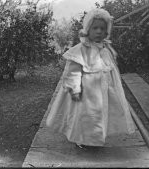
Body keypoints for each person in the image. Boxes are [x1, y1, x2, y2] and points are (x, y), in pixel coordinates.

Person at [46, 9, 135, 148]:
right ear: (88, 29)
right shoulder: (80, 49)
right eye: (95, 28)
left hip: (103, 90)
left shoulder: (105, 50)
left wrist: (113, 86)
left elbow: (110, 69)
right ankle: (80, 138)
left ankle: (96, 137)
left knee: (99, 114)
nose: (99, 31)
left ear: (107, 32)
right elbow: (73, 70)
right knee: (84, 116)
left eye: (102, 28)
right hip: (85, 92)